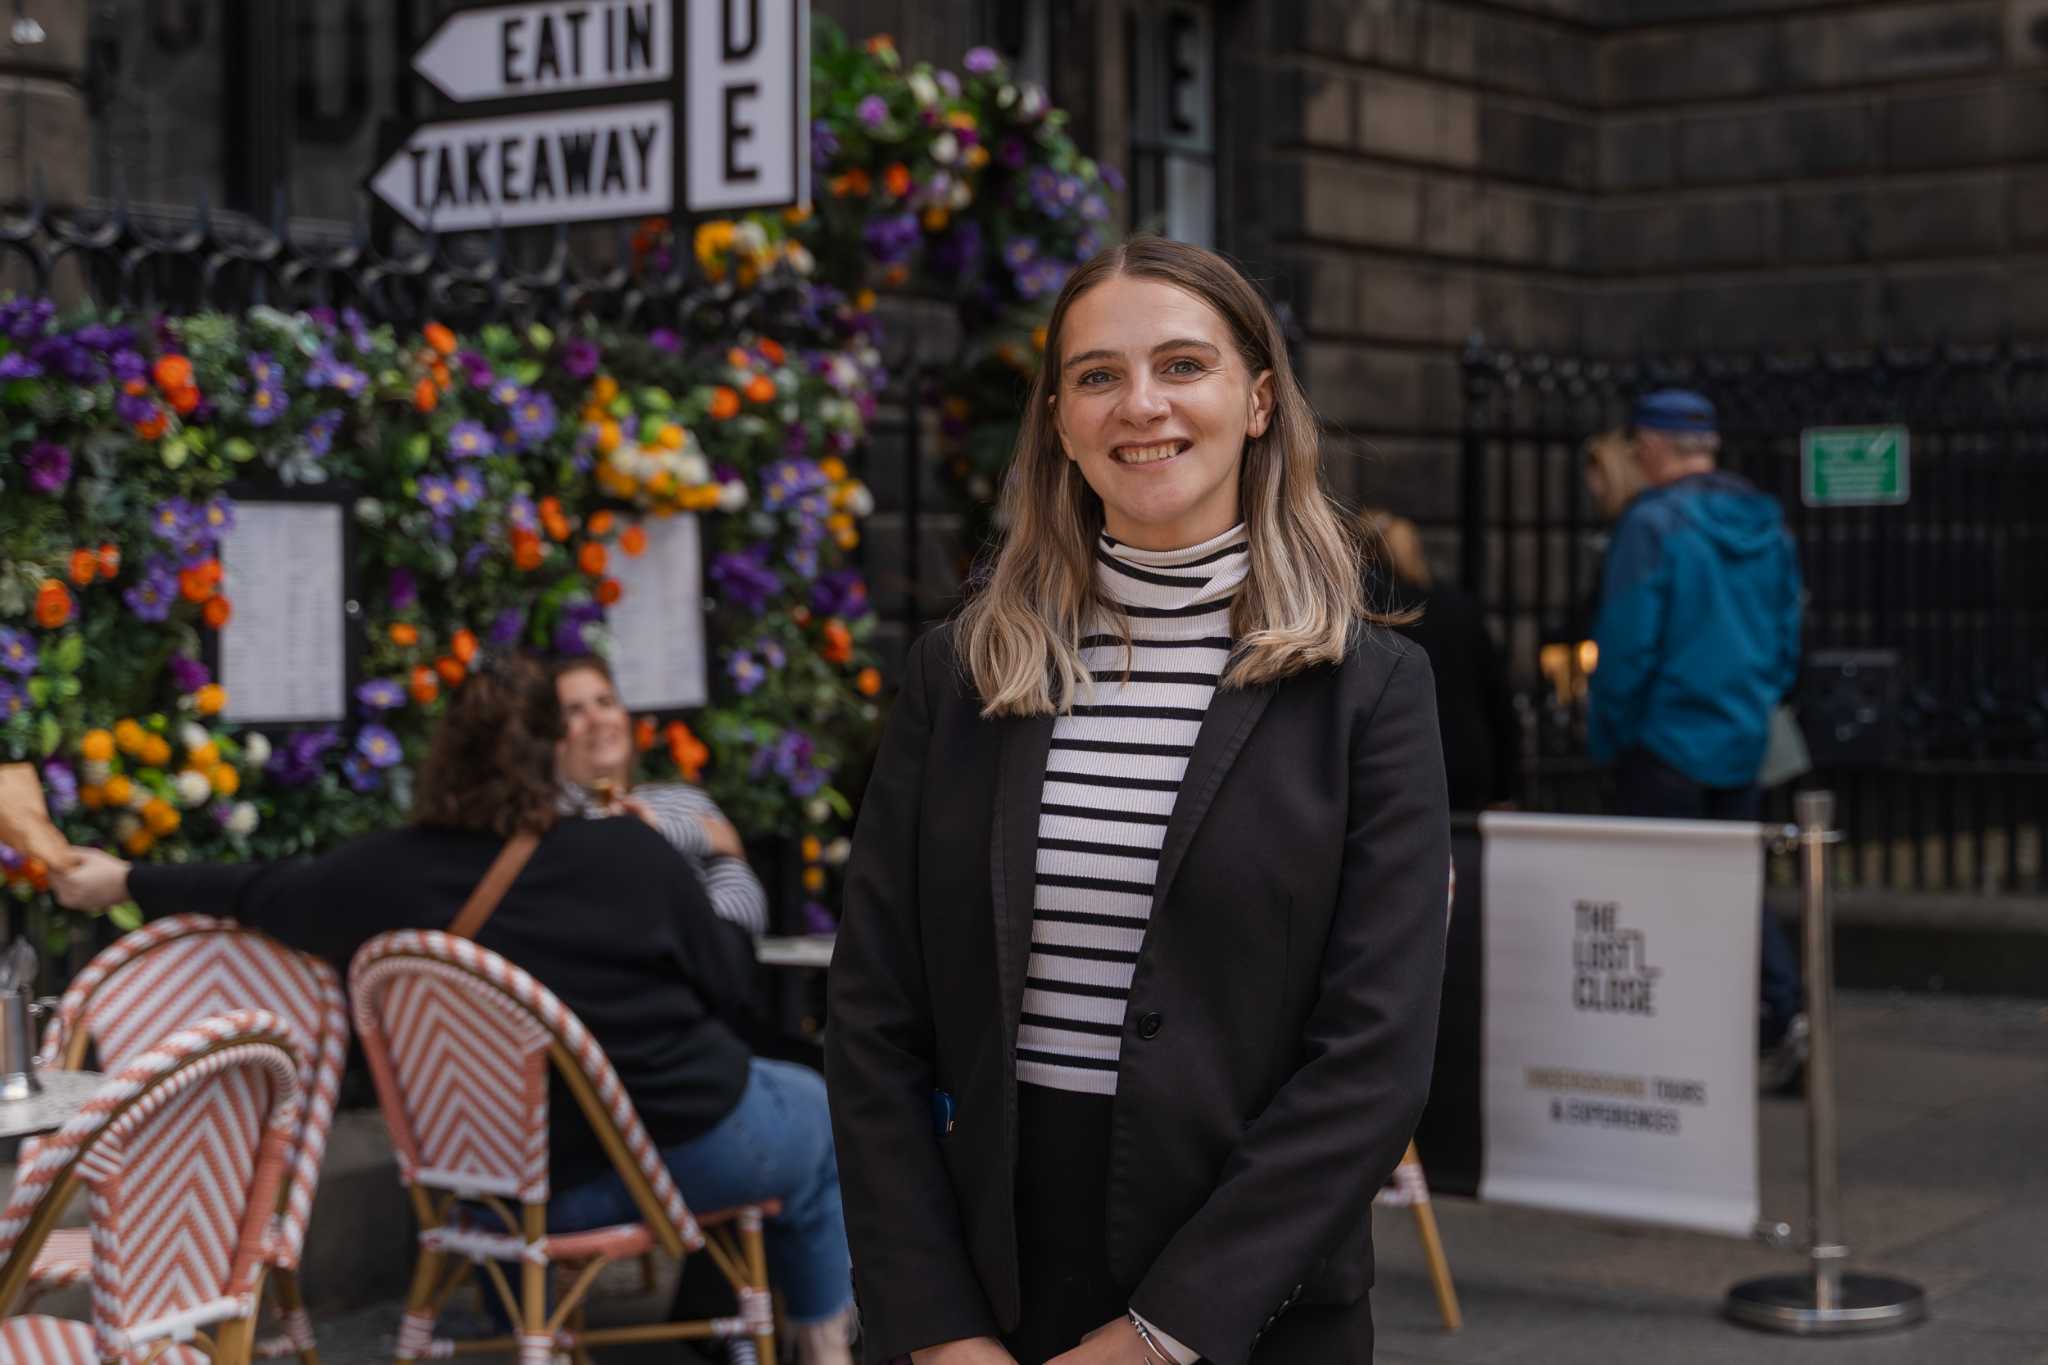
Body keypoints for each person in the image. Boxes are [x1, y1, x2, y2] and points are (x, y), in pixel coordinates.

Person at [825, 237, 1450, 1365]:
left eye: (1181, 365)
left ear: (1257, 400)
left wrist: (1165, 1334)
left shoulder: (1370, 691)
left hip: (1246, 1300)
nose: (1140, 405)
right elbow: (873, 1021)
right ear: (1059, 418)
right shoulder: (959, 674)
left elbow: (1374, 1056)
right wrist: (933, 1324)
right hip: (981, 1285)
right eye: (1098, 375)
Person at [51, 653, 854, 1364]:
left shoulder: (390, 872)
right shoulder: (632, 852)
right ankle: (822, 1342)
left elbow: (260, 888)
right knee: (820, 1113)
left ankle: (560, 1318)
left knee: (763, 1112)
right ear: (554, 749)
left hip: (497, 1187)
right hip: (674, 1157)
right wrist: (720, 860)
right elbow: (731, 979)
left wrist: (124, 879)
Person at [1586, 388, 1807, 1085]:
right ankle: (1781, 1008)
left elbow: (1625, 648)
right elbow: (1786, 636)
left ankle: (1681, 1038)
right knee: (1735, 884)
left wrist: (1610, 731)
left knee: (1661, 899)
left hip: (1663, 741)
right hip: (1738, 738)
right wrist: (1749, 701)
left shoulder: (1651, 524)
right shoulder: (1765, 522)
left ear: (1651, 445)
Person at [553, 655, 769, 935]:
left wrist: (658, 829)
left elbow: (747, 906)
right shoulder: (548, 818)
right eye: (574, 711)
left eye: (605, 702)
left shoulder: (682, 799)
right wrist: (702, 835)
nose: (596, 720)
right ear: (552, 736)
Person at [1361, 508, 1520, 812]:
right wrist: (1505, 785)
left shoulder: (1365, 612)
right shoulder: (1457, 606)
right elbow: (1497, 698)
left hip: (1395, 767)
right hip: (1465, 763)